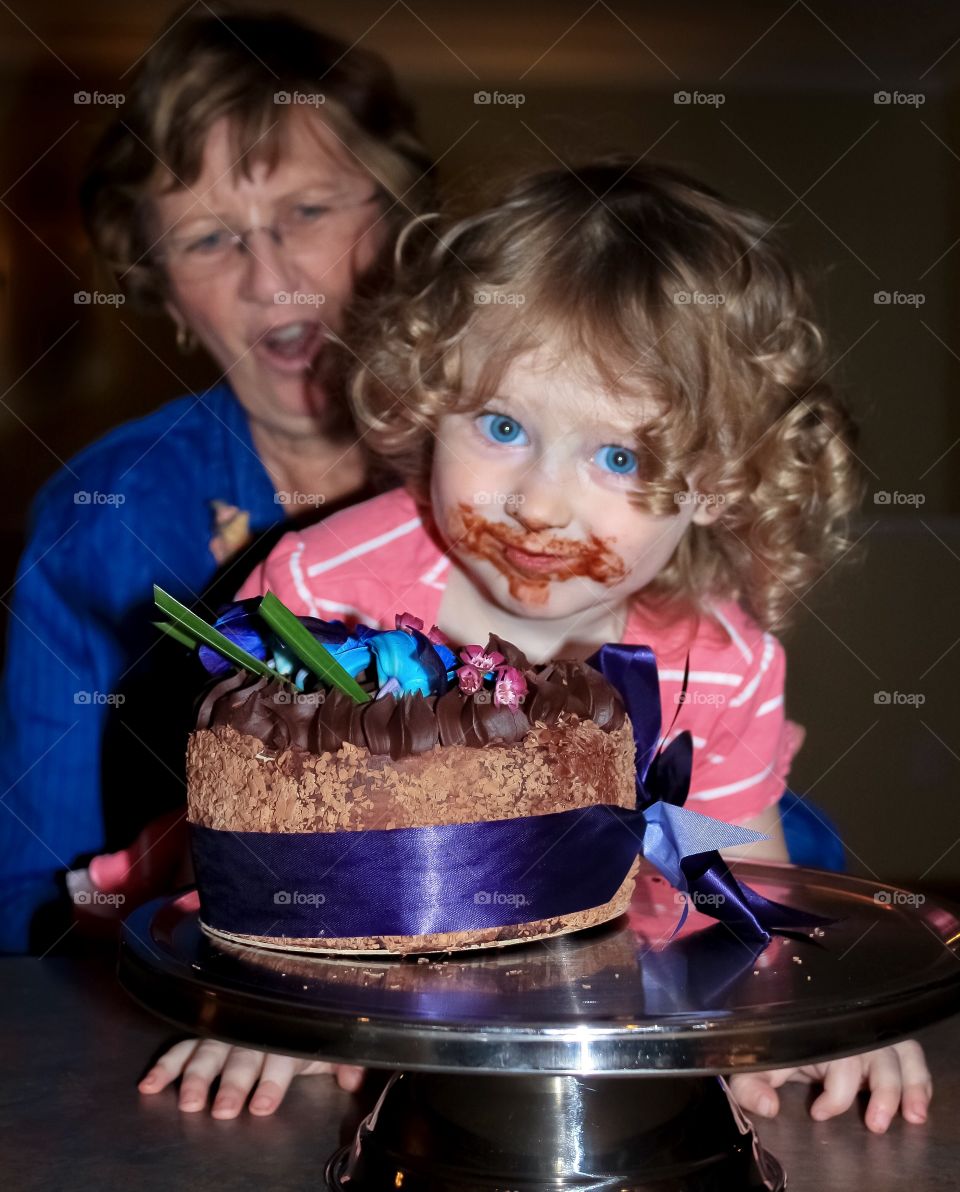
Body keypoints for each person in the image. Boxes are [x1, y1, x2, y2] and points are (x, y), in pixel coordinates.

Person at [138, 159, 931, 1129]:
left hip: (588, 1054)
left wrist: (808, 1029)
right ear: (432, 401)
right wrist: (259, 1005)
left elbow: (737, 898)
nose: (539, 502)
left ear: (722, 477)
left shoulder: (723, 662)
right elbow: (244, 841)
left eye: (620, 455)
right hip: (363, 1027)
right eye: (503, 424)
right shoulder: (311, 591)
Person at [0, 6, 434, 954]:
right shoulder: (97, 523)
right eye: (207, 239)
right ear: (169, 296)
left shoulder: (524, 470)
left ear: (398, 222)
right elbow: (30, 896)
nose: (268, 275)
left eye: (307, 212)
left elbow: (714, 778)